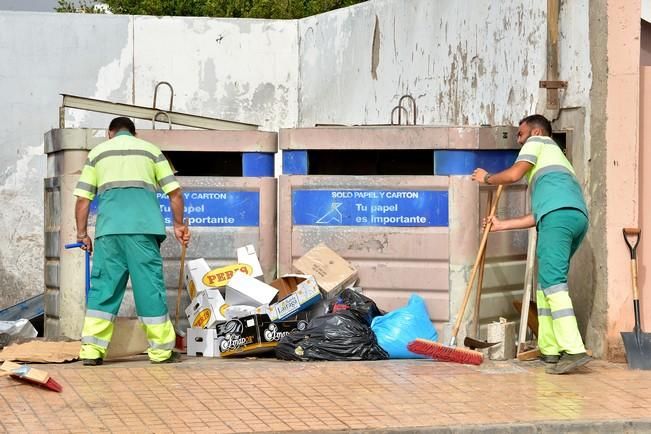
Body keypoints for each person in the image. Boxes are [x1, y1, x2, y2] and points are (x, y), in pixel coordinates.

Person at [471, 114, 591, 374]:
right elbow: (539, 215)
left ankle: (574, 349)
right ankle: (550, 349)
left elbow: (514, 175)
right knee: (545, 284)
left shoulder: (537, 143)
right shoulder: (560, 161)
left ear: (536, 132)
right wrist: (502, 225)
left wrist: (487, 178)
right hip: (574, 218)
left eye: (521, 134)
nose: (519, 140)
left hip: (557, 219)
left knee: (554, 284)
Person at [73, 117, 190, 365]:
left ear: (110, 133)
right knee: (148, 290)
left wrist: (82, 234)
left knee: (103, 290)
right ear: (134, 133)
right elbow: (175, 193)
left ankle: (92, 351)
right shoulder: (151, 151)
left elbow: (83, 200)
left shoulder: (97, 153)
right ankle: (160, 351)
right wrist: (178, 225)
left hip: (109, 234)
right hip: (143, 233)